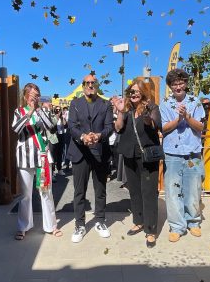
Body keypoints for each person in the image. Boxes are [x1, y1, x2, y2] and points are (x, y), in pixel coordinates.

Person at [114, 79, 162, 248]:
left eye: (136, 91)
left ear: (142, 93)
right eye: (131, 91)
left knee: (148, 192)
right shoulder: (126, 110)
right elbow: (118, 128)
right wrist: (120, 112)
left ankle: (150, 230)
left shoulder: (152, 108)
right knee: (134, 190)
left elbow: (155, 125)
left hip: (147, 156)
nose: (133, 94)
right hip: (129, 155)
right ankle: (138, 221)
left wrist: (147, 114)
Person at [67, 74, 114, 243]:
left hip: (100, 151)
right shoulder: (75, 103)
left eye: (93, 82)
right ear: (82, 86)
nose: (90, 85)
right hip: (80, 152)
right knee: (79, 191)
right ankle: (80, 225)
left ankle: (100, 221)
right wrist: (82, 137)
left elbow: (110, 127)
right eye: (87, 83)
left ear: (97, 85)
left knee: (100, 190)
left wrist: (99, 135)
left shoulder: (106, 104)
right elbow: (71, 126)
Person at [160, 68, 205, 242]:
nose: (178, 86)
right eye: (174, 84)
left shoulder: (196, 102)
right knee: (172, 190)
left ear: (186, 84)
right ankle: (177, 226)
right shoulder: (164, 104)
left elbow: (200, 127)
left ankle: (193, 222)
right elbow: (163, 128)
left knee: (193, 189)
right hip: (172, 153)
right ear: (170, 86)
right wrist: (178, 120)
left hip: (192, 151)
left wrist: (186, 116)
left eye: (181, 83)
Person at [12, 83, 62, 240]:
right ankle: (23, 226)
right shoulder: (18, 111)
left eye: (37, 95)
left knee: (46, 192)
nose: (35, 97)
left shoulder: (43, 111)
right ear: (25, 96)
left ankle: (51, 226)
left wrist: (39, 111)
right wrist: (30, 113)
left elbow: (50, 127)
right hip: (25, 157)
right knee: (26, 195)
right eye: (32, 95)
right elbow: (16, 129)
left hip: (42, 157)